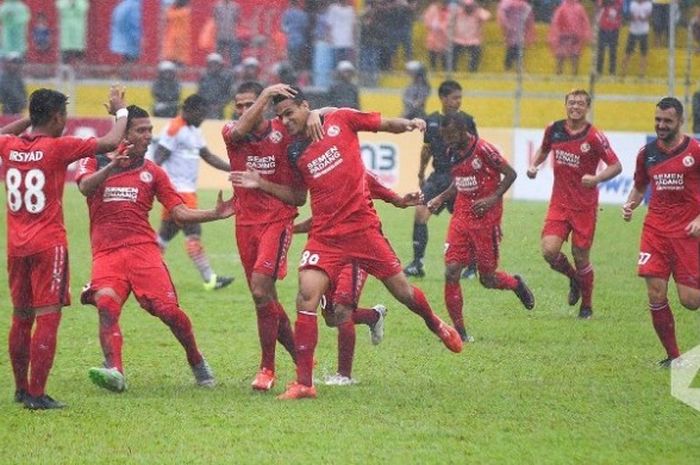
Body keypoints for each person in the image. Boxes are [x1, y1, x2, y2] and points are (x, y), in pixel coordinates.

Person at [233, 86, 464, 400]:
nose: (285, 121)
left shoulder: (341, 119)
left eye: (290, 113)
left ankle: (435, 323)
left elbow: (383, 124)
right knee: (306, 298)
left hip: (363, 231)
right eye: (281, 116)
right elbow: (299, 197)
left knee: (404, 292)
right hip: (326, 236)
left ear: (305, 106)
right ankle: (305, 383)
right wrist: (260, 182)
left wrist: (409, 123)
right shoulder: (293, 149)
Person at [77, 105, 233, 393]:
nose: (149, 136)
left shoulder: (153, 172)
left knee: (168, 312)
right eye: (142, 130)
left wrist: (215, 213)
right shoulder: (95, 161)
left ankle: (196, 360)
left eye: (150, 130)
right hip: (107, 254)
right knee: (107, 306)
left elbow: (180, 213)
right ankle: (115, 370)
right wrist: (111, 166)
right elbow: (85, 188)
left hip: (143, 252)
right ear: (123, 134)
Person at [2, 86, 127, 410]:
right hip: (48, 246)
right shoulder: (57, 148)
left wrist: (28, 120)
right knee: (48, 317)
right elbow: (112, 141)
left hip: (16, 246)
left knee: (21, 317)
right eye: (63, 116)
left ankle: (20, 389)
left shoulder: (10, 146)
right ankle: (37, 393)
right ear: (57, 117)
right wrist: (121, 110)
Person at [292, 172, 422, 385]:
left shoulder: (358, 174)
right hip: (327, 251)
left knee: (342, 309)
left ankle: (344, 375)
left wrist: (401, 200)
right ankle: (373, 316)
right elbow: (319, 218)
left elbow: (389, 195)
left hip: (357, 251)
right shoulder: (318, 171)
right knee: (332, 317)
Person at [428, 113, 534, 343]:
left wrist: (492, 198)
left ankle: (515, 284)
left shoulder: (484, 149)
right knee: (451, 271)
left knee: (487, 278)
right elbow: (459, 181)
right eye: (445, 137)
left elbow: (511, 174)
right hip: (462, 215)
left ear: (464, 131)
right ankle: (460, 331)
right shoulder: (451, 151)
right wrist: (441, 197)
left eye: (451, 136)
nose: (448, 141)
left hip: (487, 217)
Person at [526, 89, 622, 319]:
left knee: (581, 257)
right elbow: (543, 148)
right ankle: (574, 279)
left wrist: (597, 178)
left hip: (584, 207)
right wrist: (534, 165)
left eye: (580, 103)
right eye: (571, 102)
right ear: (565, 105)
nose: (575, 107)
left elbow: (616, 165)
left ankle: (586, 306)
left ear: (587, 107)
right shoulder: (554, 129)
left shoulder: (594, 136)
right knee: (549, 251)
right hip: (559, 203)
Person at [622, 97, 700, 367]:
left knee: (691, 301)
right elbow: (640, 185)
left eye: (667, 121)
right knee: (655, 292)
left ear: (680, 121)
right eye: (657, 120)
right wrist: (630, 204)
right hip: (655, 230)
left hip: (687, 234)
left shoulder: (696, 151)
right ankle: (674, 356)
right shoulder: (647, 153)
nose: (661, 125)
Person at [154, 94, 233, 291]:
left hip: (183, 192)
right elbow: (158, 157)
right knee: (193, 233)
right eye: (201, 114)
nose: (203, 118)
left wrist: (232, 168)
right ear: (189, 111)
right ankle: (210, 279)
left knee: (164, 236)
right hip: (180, 193)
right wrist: (151, 183)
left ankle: (143, 272)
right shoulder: (175, 128)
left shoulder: (193, 130)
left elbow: (207, 155)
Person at [404, 80, 478, 278]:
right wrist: (420, 173)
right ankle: (417, 263)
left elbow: (474, 151)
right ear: (443, 98)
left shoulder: (467, 121)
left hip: (459, 178)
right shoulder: (432, 120)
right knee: (420, 213)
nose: (458, 101)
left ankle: (472, 266)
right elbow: (427, 149)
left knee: (466, 222)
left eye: (460, 98)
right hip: (438, 177)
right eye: (455, 97)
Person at [548, 0, 591, 75]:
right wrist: (585, 34)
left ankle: (559, 74)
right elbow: (585, 22)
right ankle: (573, 75)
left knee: (562, 56)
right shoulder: (579, 8)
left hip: (565, 35)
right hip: (574, 35)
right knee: (573, 56)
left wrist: (555, 35)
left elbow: (555, 22)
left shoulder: (562, 7)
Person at [452, 0, 491, 73]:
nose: (468, 8)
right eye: (466, 7)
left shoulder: (477, 12)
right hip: (459, 39)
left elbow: (487, 15)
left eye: (470, 6)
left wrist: (477, 10)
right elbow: (450, 14)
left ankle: (472, 71)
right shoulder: (458, 12)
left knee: (476, 53)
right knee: (453, 54)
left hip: (473, 40)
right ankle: (453, 71)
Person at [497, 0, 535, 72]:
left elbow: (529, 20)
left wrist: (529, 34)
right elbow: (502, 15)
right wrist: (506, 26)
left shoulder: (524, 6)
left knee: (516, 49)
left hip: (518, 32)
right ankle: (510, 68)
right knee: (512, 49)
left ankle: (514, 67)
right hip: (513, 31)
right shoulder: (507, 4)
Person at [110, 0, 142, 80]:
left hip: (121, 37)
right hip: (129, 38)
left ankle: (118, 75)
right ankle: (125, 76)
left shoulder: (123, 4)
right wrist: (137, 37)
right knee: (131, 58)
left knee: (126, 58)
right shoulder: (134, 5)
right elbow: (134, 22)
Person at [620, 0, 652, 78]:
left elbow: (650, 16)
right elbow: (628, 16)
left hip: (644, 31)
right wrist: (633, 18)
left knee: (643, 53)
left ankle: (642, 73)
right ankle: (623, 71)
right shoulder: (632, 4)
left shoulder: (649, 4)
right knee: (628, 52)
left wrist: (644, 18)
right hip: (633, 31)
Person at [198, 53, 234, 120]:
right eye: (211, 64)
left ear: (220, 65)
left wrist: (220, 105)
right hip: (206, 109)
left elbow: (229, 94)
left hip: (221, 109)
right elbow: (200, 93)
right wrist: (206, 105)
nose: (213, 66)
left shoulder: (226, 78)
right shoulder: (203, 78)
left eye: (215, 64)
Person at [56, 0, 89, 67]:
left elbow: (84, 8)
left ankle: (79, 70)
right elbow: (59, 6)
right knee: (65, 53)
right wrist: (68, 3)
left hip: (78, 29)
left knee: (79, 52)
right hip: (66, 29)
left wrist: (75, 3)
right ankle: (65, 71)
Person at [596, 0, 623, 76]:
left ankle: (612, 71)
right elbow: (599, 4)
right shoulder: (602, 3)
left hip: (614, 29)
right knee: (601, 50)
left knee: (613, 50)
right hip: (603, 28)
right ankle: (599, 71)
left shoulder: (618, 2)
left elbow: (620, 7)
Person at [282, 0, 310, 71]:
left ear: (291, 4)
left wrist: (289, 30)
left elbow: (283, 27)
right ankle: (297, 71)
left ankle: (291, 71)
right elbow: (305, 26)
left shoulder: (287, 13)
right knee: (299, 58)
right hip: (300, 39)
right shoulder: (302, 14)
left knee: (291, 57)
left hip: (290, 39)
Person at [423, 0, 450, 71]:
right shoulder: (432, 9)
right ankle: (433, 71)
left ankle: (445, 74)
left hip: (444, 39)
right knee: (432, 58)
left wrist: (441, 27)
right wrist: (434, 25)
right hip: (433, 39)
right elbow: (427, 23)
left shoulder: (448, 10)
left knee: (444, 60)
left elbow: (449, 23)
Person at [213, 0, 241, 66]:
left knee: (234, 57)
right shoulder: (217, 6)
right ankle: (219, 71)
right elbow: (215, 19)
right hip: (220, 35)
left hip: (231, 36)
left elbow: (237, 20)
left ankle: (234, 70)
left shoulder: (235, 6)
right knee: (218, 58)